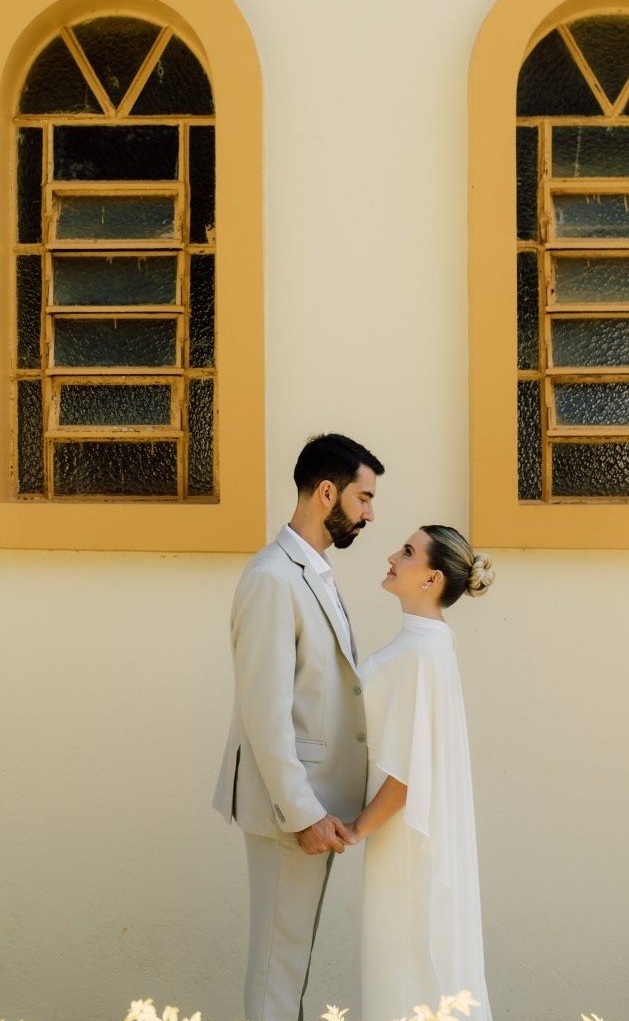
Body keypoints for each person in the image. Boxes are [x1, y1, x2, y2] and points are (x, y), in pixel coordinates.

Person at [213, 432, 385, 1021]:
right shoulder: (273, 578)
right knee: (277, 968)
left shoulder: (312, 570)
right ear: (327, 493)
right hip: (291, 807)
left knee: (288, 964)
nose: (369, 514)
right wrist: (303, 813)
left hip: (313, 804)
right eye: (364, 498)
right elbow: (264, 713)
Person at [345, 525, 495, 1021]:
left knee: (403, 971)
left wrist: (357, 828)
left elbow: (410, 772)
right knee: (401, 970)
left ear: (432, 579)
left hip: (404, 840)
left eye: (407, 552)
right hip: (402, 837)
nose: (392, 556)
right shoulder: (427, 643)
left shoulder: (421, 652)